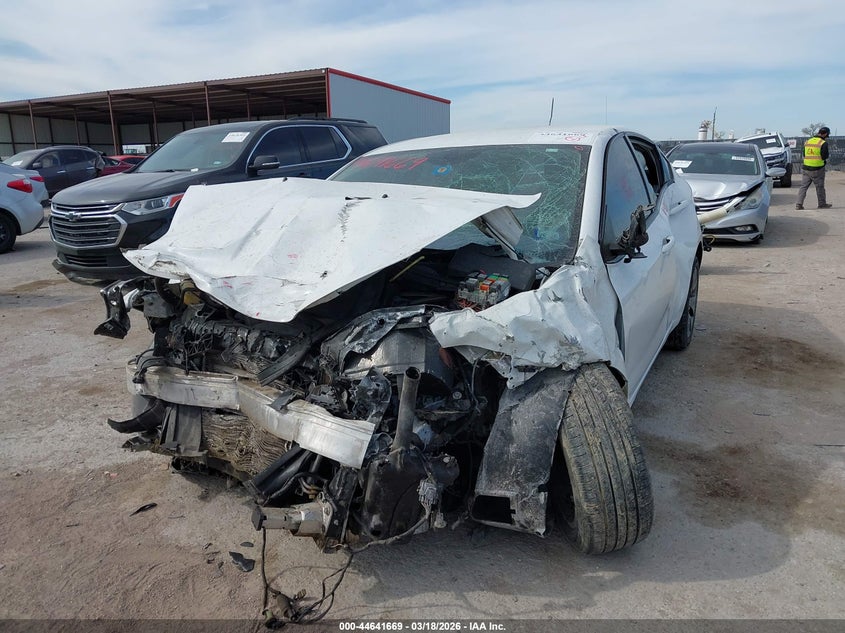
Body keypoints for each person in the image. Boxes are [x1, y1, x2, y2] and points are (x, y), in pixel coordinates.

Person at [796, 126, 832, 209]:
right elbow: (824, 156)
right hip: (817, 169)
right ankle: (822, 204)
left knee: (803, 187)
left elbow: (804, 154)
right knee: (820, 187)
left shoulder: (808, 141)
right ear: (825, 134)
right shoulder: (823, 143)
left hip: (806, 168)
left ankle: (799, 204)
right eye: (827, 135)